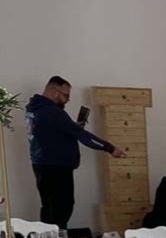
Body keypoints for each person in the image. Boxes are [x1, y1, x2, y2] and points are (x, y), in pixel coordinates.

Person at [25, 75, 126, 229]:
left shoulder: (35, 108)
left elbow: (51, 131)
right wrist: (110, 148)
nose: (67, 100)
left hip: (40, 164)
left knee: (49, 207)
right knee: (61, 209)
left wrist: (72, 127)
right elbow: (83, 137)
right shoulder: (54, 112)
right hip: (56, 167)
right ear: (54, 91)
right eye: (65, 95)